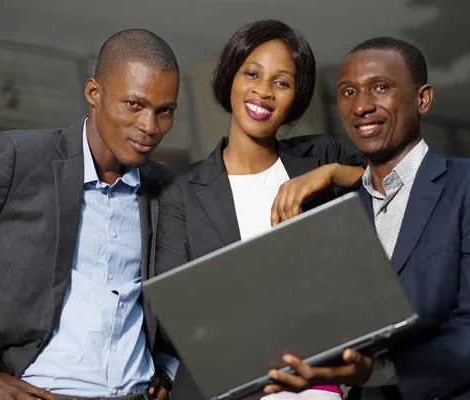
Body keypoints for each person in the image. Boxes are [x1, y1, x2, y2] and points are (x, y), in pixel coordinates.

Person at [263, 37, 470, 399]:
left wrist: (379, 371)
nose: (361, 106)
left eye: (381, 88)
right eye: (347, 92)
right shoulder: (337, 213)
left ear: (422, 99)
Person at [0, 29, 181, 400]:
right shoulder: (17, 159)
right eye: (134, 105)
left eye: (164, 111)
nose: (150, 127)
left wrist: (167, 368)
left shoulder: (168, 191)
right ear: (94, 93)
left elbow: (192, 291)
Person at [155, 20, 365, 400]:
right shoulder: (180, 191)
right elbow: (174, 318)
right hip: (225, 387)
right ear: (230, 78)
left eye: (281, 82)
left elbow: (395, 188)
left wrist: (332, 174)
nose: (263, 91)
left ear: (295, 98)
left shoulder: (319, 157)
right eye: (252, 73)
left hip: (315, 387)